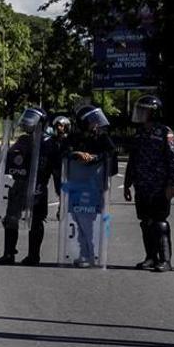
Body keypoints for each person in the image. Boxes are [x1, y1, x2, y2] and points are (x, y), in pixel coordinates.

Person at [124, 96, 174, 272]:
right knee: (145, 222)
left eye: (144, 110)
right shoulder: (139, 134)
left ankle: (165, 260)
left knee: (159, 222)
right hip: (142, 186)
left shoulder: (165, 133)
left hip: (159, 186)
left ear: (153, 112)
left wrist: (171, 184)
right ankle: (150, 257)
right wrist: (127, 183)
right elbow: (132, 160)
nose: (140, 114)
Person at [0, 108, 59, 266]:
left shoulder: (49, 143)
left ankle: (33, 255)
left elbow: (57, 170)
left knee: (37, 220)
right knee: (11, 218)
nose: (27, 122)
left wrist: (61, 193)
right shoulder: (24, 140)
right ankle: (9, 253)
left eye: (32, 119)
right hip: (19, 185)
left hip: (38, 186)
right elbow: (10, 158)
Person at [63, 104, 117, 268]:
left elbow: (111, 154)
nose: (96, 124)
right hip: (77, 184)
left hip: (95, 185)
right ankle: (84, 253)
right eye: (92, 121)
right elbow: (64, 151)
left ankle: (93, 253)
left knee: (91, 220)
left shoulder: (102, 137)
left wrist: (95, 158)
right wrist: (77, 153)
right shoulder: (74, 138)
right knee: (79, 219)